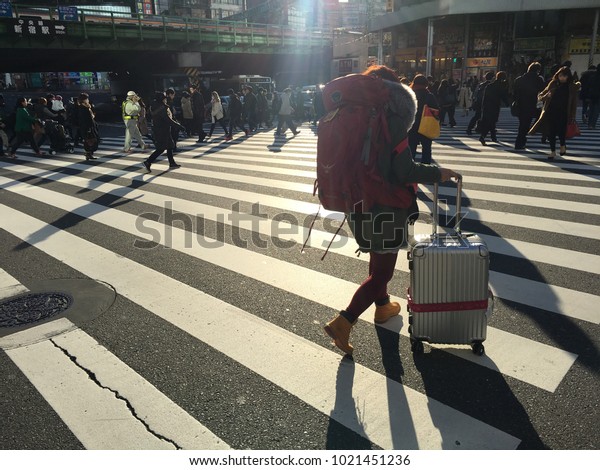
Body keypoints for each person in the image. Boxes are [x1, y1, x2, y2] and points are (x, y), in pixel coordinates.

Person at [324, 65, 461, 356]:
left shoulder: (355, 116)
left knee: (378, 258)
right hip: (384, 205)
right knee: (382, 273)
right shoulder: (391, 118)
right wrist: (440, 173)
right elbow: (404, 170)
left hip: (357, 202)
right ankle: (343, 321)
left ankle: (383, 307)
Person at [529, 66, 579, 159]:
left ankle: (562, 145)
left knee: (561, 131)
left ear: (568, 76)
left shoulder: (572, 87)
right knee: (551, 132)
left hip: (564, 112)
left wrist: (572, 115)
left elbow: (574, 103)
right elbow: (540, 96)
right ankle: (553, 151)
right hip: (551, 111)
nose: (562, 78)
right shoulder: (553, 84)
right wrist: (547, 96)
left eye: (564, 76)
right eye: (560, 76)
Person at [142, 91, 184, 173]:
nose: (166, 100)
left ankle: (172, 163)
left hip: (159, 130)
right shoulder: (162, 108)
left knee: (170, 146)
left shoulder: (153, 106)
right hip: (163, 130)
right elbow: (168, 120)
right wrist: (179, 126)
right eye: (164, 98)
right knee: (160, 149)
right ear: (161, 99)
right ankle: (148, 162)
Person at [512, 62, 545, 150]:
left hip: (520, 105)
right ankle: (520, 142)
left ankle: (520, 142)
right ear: (538, 70)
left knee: (523, 124)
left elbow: (514, 93)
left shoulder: (519, 79)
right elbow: (542, 91)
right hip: (532, 105)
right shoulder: (538, 79)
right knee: (526, 125)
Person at [407, 74, 439, 164]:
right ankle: (426, 171)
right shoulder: (429, 95)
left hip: (412, 126)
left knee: (411, 149)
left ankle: (409, 170)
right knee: (426, 149)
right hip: (426, 125)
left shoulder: (410, 94)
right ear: (426, 84)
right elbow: (437, 111)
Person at [478, 71, 509, 145]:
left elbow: (484, 97)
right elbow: (503, 96)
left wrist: (483, 106)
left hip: (487, 106)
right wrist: (507, 103)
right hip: (494, 106)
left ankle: (493, 137)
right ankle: (483, 136)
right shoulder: (500, 86)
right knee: (491, 122)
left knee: (490, 122)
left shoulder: (489, 86)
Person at [77, 92, 99, 161]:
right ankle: (89, 154)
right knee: (93, 141)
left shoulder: (82, 107)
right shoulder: (85, 108)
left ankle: (89, 154)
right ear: (84, 100)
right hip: (88, 126)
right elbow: (89, 118)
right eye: (87, 99)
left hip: (85, 126)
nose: (88, 100)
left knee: (88, 140)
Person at [587, 64, 600, 130]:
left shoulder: (592, 77)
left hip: (592, 95)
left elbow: (588, 86)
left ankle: (589, 124)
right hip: (598, 96)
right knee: (596, 111)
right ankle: (592, 124)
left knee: (591, 110)